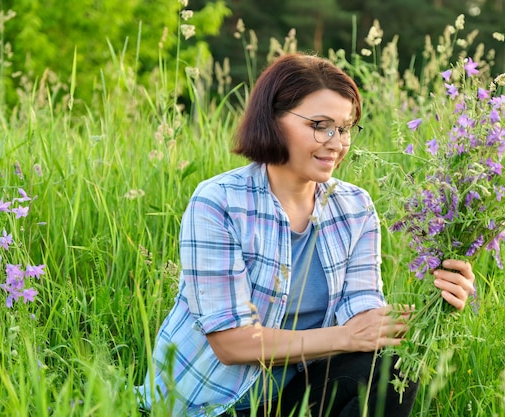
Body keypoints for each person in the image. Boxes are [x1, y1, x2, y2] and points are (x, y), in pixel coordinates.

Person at [136, 52, 476, 417]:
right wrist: (345, 337)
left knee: (393, 366)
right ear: (272, 119)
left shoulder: (355, 207)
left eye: (344, 128)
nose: (337, 142)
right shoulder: (219, 201)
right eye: (320, 125)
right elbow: (230, 343)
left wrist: (434, 305)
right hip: (213, 404)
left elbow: (361, 315)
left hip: (293, 396)